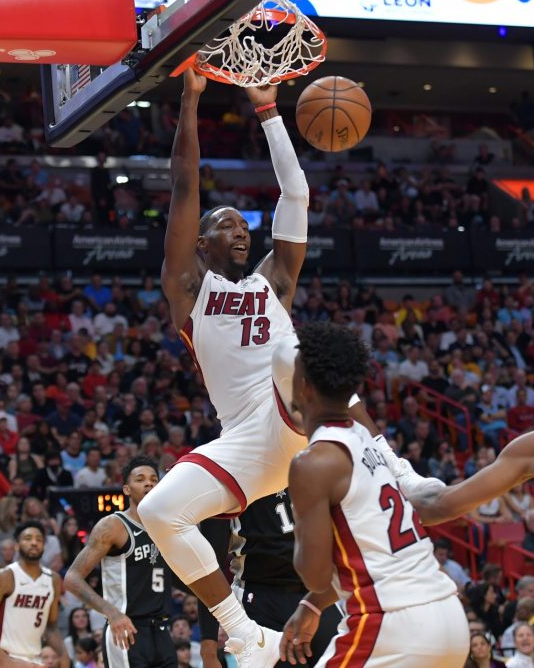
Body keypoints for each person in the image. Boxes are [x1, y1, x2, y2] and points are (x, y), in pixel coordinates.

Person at [137, 70, 313, 666]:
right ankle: (241, 630)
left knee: (293, 352)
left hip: (295, 414)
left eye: (243, 225)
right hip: (250, 445)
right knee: (157, 511)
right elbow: (184, 186)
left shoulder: (274, 282)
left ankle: (388, 462)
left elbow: (295, 197)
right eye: (224, 226)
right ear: (202, 244)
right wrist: (189, 99)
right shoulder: (189, 288)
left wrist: (268, 113)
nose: (239, 230)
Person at [280, 323, 467, 667]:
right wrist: (310, 604)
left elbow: (316, 574)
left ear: (303, 387)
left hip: (391, 622)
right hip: (448, 614)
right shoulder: (371, 442)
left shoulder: (314, 462)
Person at [197, 492, 341, 668]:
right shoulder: (227, 481)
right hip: (261, 601)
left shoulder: (304, 469)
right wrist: (208, 649)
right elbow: (209, 564)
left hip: (316, 595)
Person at [64, 456, 176, 668]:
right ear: (126, 489)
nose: (149, 483)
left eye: (154, 479)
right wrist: (111, 613)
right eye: (140, 479)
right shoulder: (113, 526)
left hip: (162, 629)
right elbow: (72, 578)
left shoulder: (166, 525)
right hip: (126, 629)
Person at [0, 521, 68, 668]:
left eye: (39, 539)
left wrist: (64, 654)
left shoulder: (54, 579)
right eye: (28, 538)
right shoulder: (6, 576)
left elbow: (51, 627)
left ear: (44, 545)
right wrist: (0, 659)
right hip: (7, 657)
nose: (34, 543)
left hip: (35, 659)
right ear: (17, 545)